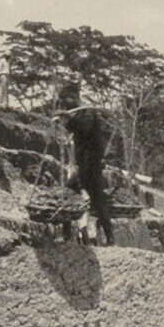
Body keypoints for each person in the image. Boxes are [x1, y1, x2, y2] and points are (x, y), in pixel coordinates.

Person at [56, 81, 115, 246]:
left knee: (97, 200)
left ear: (74, 97)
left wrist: (68, 119)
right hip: (83, 165)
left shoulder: (87, 113)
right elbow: (72, 128)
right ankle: (67, 233)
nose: (64, 103)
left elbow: (85, 128)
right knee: (68, 193)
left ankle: (110, 237)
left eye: (66, 99)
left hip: (92, 165)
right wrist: (64, 121)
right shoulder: (77, 114)